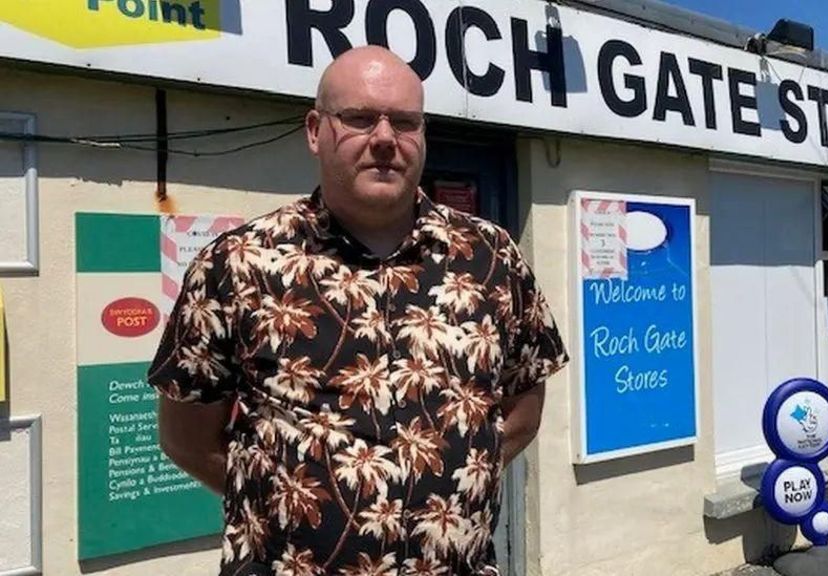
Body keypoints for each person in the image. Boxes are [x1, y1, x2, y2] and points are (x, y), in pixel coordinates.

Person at [147, 45, 568, 575]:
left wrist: (445, 480)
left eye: (406, 122)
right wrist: (293, 499)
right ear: (314, 131)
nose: (386, 139)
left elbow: (522, 406)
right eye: (360, 118)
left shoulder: (491, 257)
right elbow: (186, 438)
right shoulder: (237, 264)